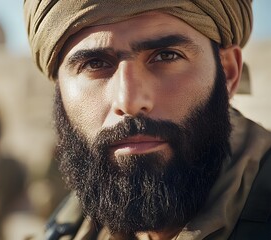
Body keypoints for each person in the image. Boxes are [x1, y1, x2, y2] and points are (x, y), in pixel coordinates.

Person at [24, 1, 271, 239]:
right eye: (94, 63)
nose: (128, 101)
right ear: (60, 89)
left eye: (166, 56)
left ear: (228, 72)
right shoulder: (67, 227)